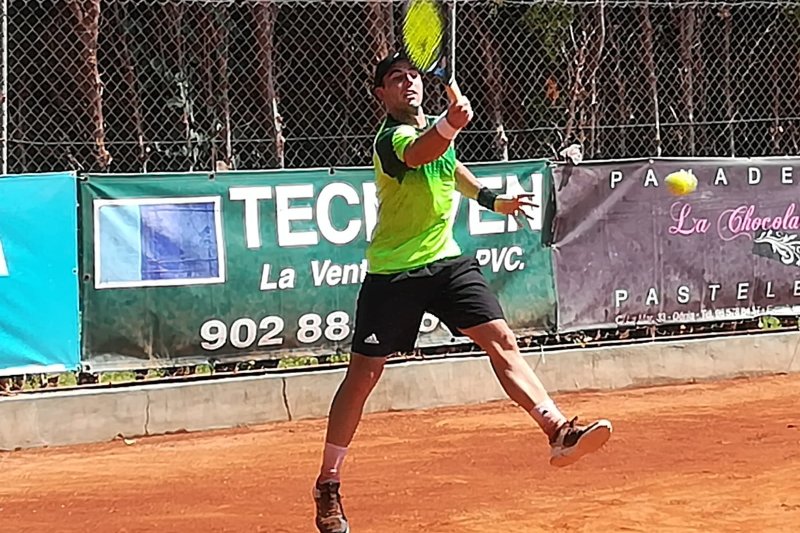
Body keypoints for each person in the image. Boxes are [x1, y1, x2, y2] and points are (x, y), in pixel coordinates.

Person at [312, 52, 612, 533]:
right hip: (394, 273)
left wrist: (493, 199)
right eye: (395, 79)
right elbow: (422, 154)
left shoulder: (434, 129)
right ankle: (328, 483)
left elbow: (450, 167)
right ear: (381, 95)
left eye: (413, 76)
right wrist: (450, 125)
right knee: (364, 375)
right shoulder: (390, 140)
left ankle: (558, 430)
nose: (408, 83)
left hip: (447, 261)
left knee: (501, 340)